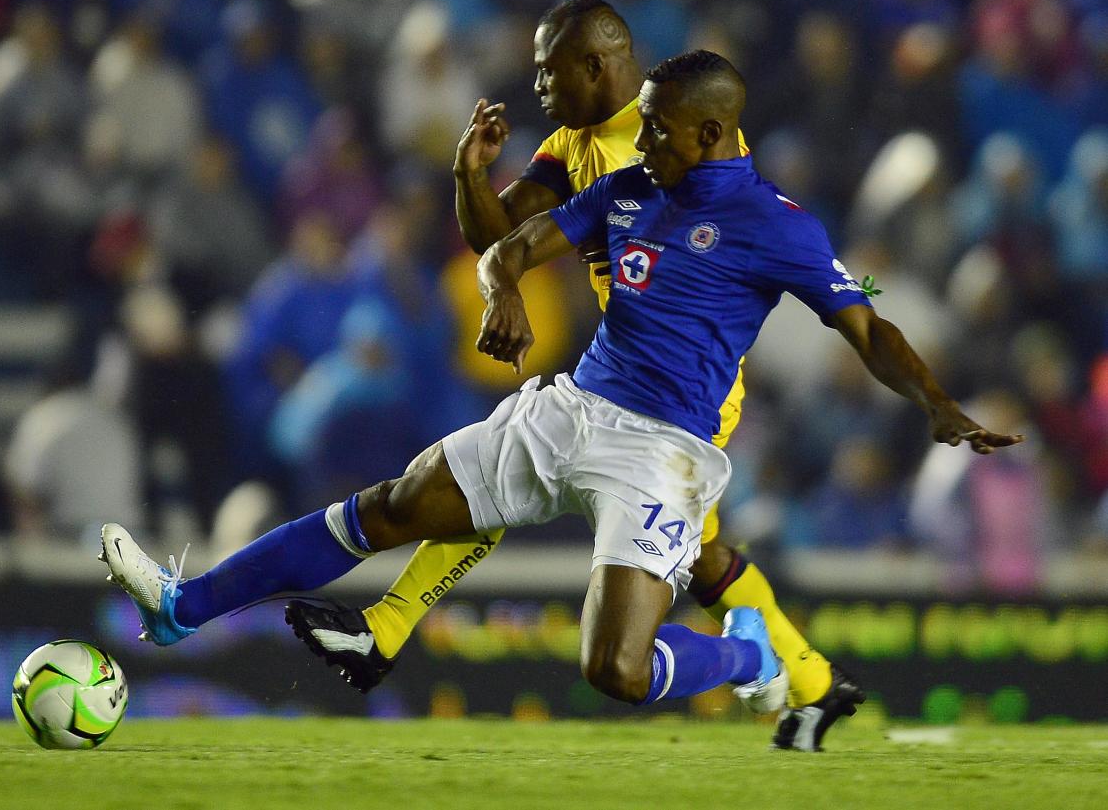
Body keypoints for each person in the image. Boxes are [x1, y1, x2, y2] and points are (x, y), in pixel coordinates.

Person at [101, 49, 1021, 730]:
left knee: (614, 669)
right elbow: (512, 245)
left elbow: (868, 325)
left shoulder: (776, 224)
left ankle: (752, 655)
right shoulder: (628, 189)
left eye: (659, 127)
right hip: (570, 408)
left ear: (709, 134)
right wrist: (501, 287)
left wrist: (935, 400)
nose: (642, 137)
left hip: (663, 453)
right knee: (389, 507)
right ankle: (182, 607)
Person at [294, 0, 854, 751]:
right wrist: (472, 183)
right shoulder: (575, 143)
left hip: (677, 392)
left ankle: (788, 673)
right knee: (682, 544)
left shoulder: (660, 146)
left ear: (596, 66)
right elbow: (503, 234)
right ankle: (814, 684)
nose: (537, 85)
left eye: (548, 69)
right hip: (618, 377)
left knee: (563, 501)